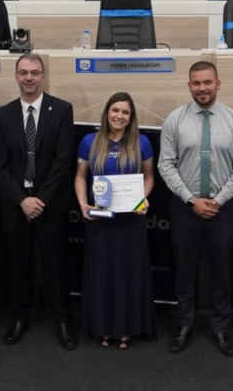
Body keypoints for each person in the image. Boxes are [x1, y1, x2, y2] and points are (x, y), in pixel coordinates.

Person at [158, 61, 233, 356]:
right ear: (189, 86)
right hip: (185, 207)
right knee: (184, 270)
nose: (202, 88)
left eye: (207, 82)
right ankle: (184, 323)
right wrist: (191, 200)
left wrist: (217, 201)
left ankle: (221, 327)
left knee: (221, 271)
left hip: (222, 209)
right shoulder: (175, 119)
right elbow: (166, 165)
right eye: (196, 83)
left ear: (218, 84)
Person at [0, 55, 77, 349]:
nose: (29, 78)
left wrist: (39, 199)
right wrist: (22, 200)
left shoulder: (62, 109)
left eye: (35, 73)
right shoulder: (3, 115)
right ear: (16, 77)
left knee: (55, 264)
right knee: (17, 264)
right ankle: (19, 317)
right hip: (16, 205)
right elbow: (0, 166)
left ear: (43, 76)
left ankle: (63, 320)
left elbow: (62, 160)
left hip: (50, 204)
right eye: (24, 73)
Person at [73, 92, 156, 348]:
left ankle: (127, 328)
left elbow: (149, 178)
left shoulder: (141, 143)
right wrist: (82, 203)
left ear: (131, 118)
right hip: (101, 220)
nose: (119, 116)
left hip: (131, 221)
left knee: (129, 274)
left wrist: (143, 199)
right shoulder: (90, 141)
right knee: (102, 274)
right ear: (107, 112)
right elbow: (80, 177)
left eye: (125, 112)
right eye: (115, 110)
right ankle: (103, 327)